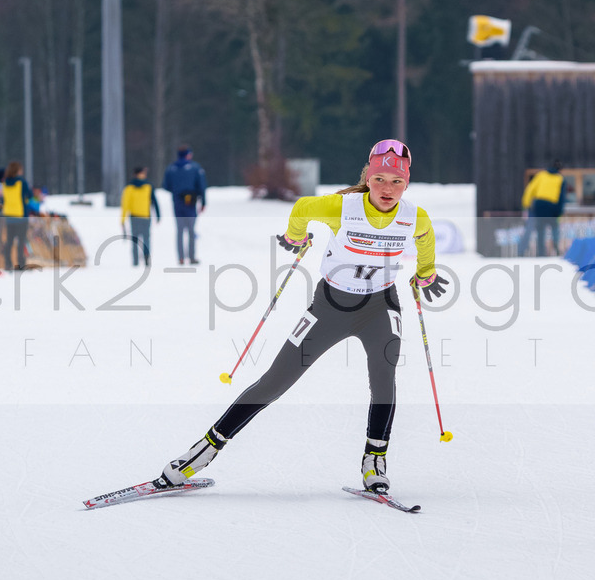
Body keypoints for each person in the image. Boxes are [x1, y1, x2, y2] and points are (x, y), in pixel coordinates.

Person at [153, 139, 448, 494]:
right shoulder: (342, 207)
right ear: (368, 177)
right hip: (330, 307)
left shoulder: (414, 216)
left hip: (381, 306)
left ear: (407, 183)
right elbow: (303, 208)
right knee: (276, 380)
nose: (388, 189)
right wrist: (297, 236)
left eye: (397, 182)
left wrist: (426, 272)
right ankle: (202, 452)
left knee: (384, 378)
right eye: (381, 179)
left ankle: (375, 461)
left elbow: (425, 237)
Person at [162, 145, 207, 265]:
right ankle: (192, 257)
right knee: (191, 230)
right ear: (188, 155)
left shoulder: (171, 168)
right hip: (191, 203)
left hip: (177, 202)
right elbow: (202, 186)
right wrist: (203, 202)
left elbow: (166, 185)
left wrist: (177, 191)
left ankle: (181, 257)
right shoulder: (195, 168)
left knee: (179, 230)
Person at [518, 160, 566, 257]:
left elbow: (530, 190)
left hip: (539, 204)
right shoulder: (560, 179)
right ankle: (556, 249)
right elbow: (562, 197)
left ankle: (541, 253)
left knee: (541, 230)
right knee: (554, 228)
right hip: (552, 205)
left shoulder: (541, 175)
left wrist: (526, 205)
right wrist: (559, 212)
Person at [119, 166, 160, 266]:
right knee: (146, 239)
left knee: (135, 240)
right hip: (146, 216)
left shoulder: (129, 188)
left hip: (134, 217)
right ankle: (146, 258)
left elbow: (125, 205)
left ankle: (135, 261)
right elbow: (154, 202)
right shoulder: (148, 186)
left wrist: (123, 219)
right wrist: (158, 214)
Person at [1, 161, 32, 270]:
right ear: (17, 170)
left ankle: (7, 263)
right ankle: (21, 264)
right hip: (21, 215)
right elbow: (28, 195)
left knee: (9, 241)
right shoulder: (21, 182)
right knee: (21, 241)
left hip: (9, 216)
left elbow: (3, 199)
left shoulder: (4, 183)